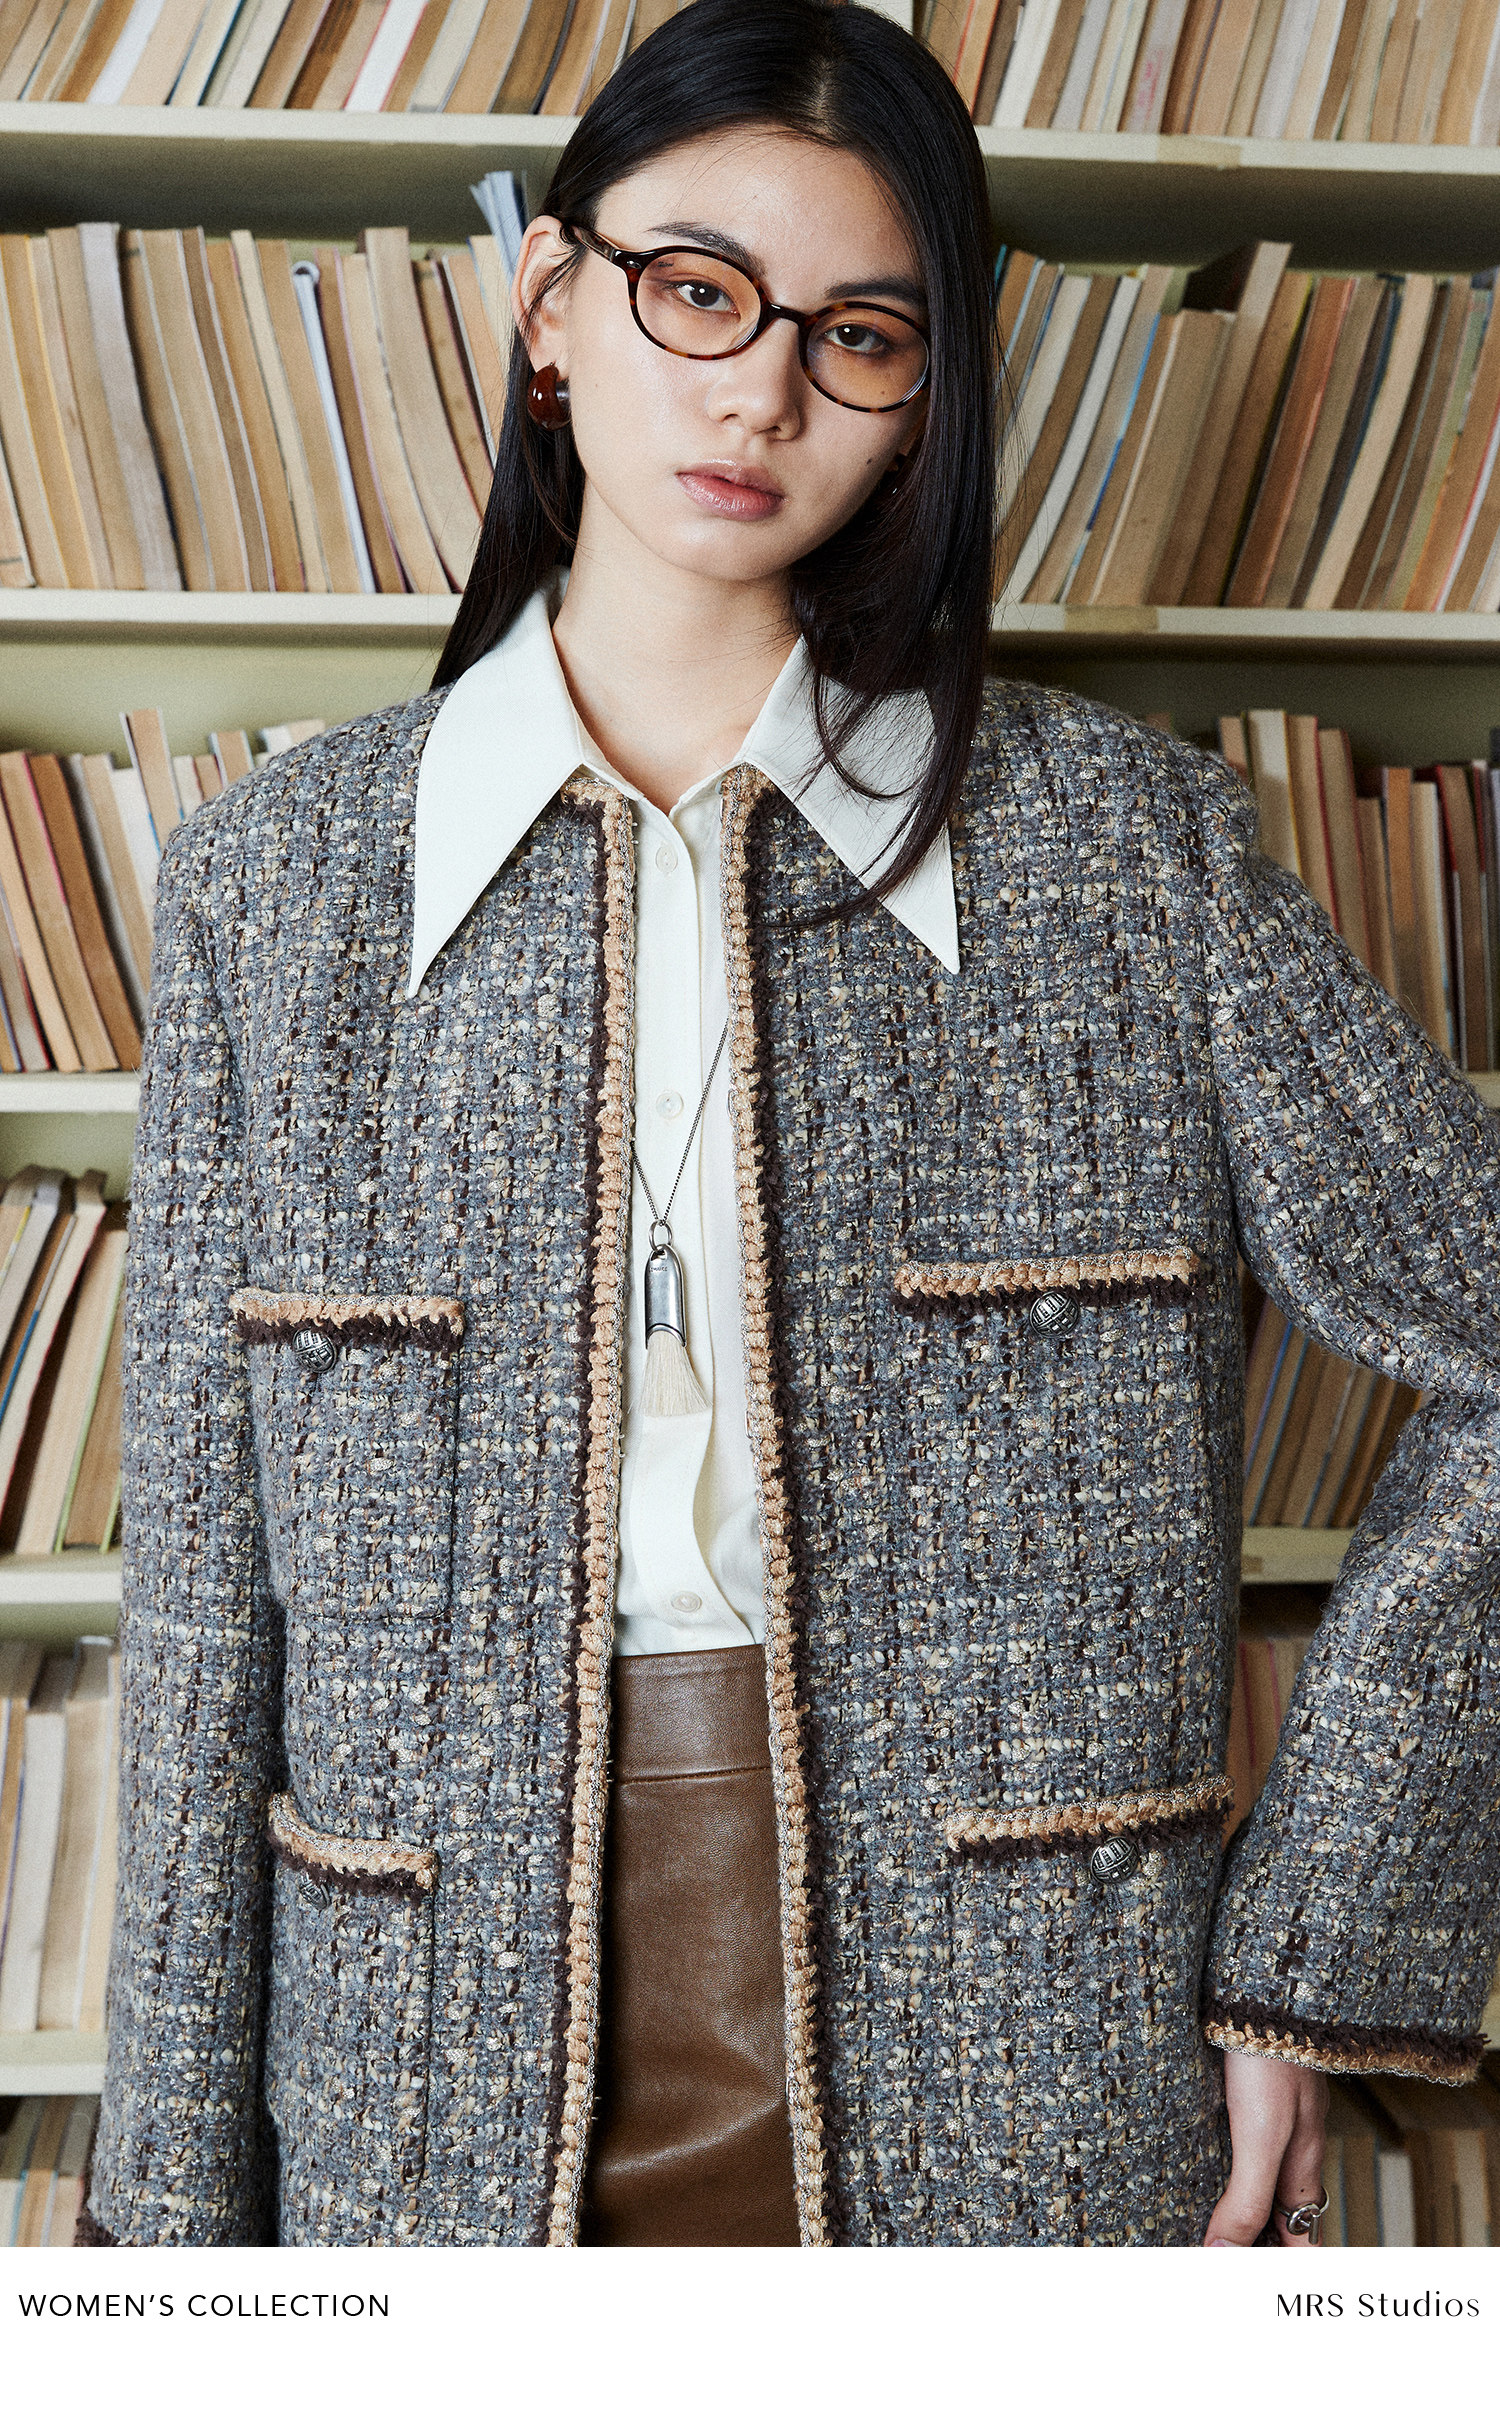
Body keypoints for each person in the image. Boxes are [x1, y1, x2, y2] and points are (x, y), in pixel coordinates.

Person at [83, 0, 1500, 2250]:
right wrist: (163, 2248)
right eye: (697, 290)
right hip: (411, 2091)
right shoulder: (279, 883)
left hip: (1039, 2067)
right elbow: (198, 1614)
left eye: (859, 334)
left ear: (926, 397)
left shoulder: (1129, 855)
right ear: (551, 308)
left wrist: (1313, 1940)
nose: (758, 391)